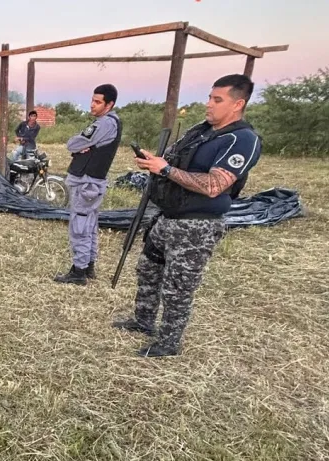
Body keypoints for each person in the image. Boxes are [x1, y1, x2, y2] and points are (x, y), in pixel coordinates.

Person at [112, 74, 262, 357]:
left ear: (238, 104)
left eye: (217, 100)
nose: (209, 104)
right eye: (209, 97)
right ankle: (143, 320)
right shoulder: (201, 131)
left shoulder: (242, 140)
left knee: (178, 285)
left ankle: (168, 342)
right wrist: (155, 162)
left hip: (197, 224)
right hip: (168, 216)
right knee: (148, 269)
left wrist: (166, 170)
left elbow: (215, 185)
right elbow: (173, 161)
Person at [54, 84, 122, 285]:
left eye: (98, 102)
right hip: (91, 182)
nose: (92, 105)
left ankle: (79, 271)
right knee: (89, 224)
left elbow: (72, 144)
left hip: (87, 183)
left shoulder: (105, 123)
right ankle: (88, 265)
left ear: (109, 104)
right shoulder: (110, 122)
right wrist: (85, 146)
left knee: (80, 226)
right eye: (92, 100)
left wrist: (82, 145)